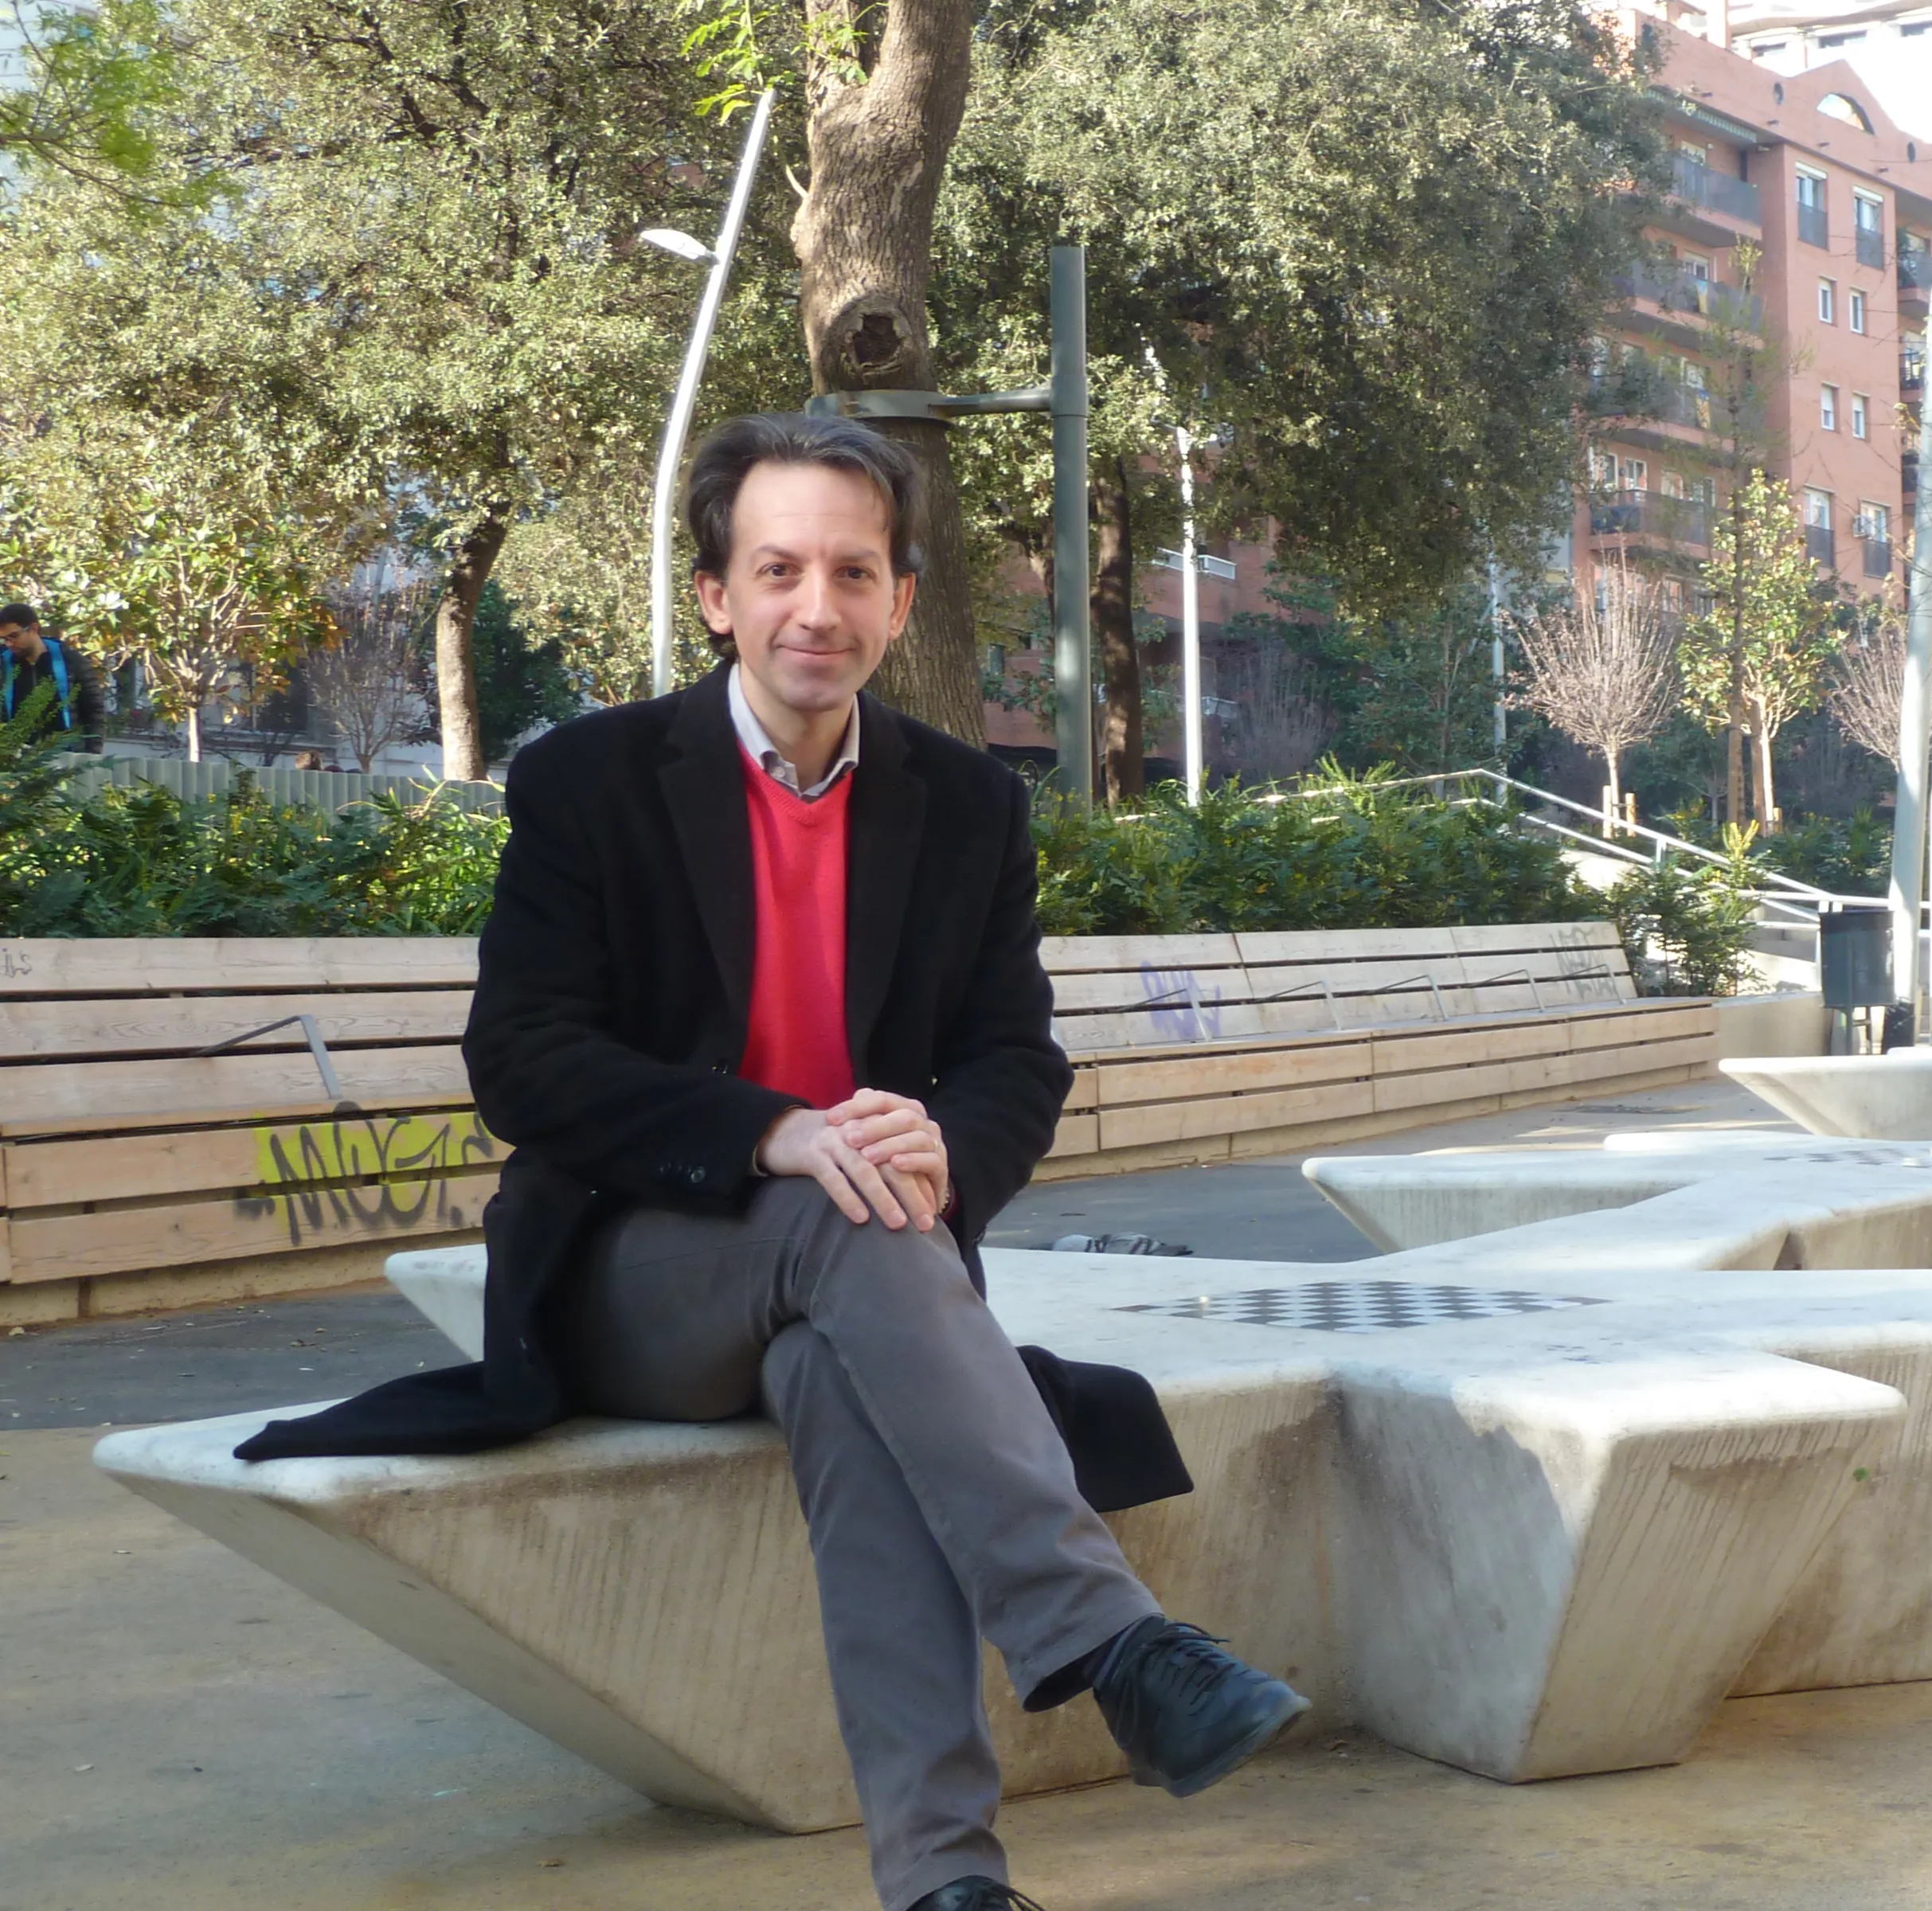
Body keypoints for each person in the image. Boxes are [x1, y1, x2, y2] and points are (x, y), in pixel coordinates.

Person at [231, 415, 1305, 1911]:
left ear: (903, 601)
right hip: (637, 1273)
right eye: (780, 568)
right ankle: (1109, 1640)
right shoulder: (592, 782)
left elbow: (1014, 1057)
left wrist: (945, 1143)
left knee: (846, 1377)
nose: (821, 606)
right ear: (720, 595)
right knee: (835, 1220)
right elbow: (523, 1059)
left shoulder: (967, 802)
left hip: (861, 1287)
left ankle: (946, 1881)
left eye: (855, 571)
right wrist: (769, 1130)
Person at [1, 604, 101, 746]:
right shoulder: (3, 665)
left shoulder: (71, 660)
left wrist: (92, 753)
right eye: (4, 639)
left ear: (34, 629)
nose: (9, 644)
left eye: (13, 636)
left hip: (68, 756)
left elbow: (94, 710)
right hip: (16, 759)